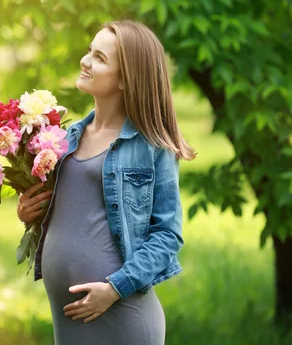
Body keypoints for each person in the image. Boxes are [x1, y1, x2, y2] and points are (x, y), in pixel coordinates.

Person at [16, 20, 196, 345]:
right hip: (69, 320)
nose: (85, 61)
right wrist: (29, 213)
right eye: (89, 51)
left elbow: (168, 236)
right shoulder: (65, 139)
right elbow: (74, 214)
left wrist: (116, 288)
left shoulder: (151, 147)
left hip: (121, 317)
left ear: (126, 79)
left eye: (99, 58)